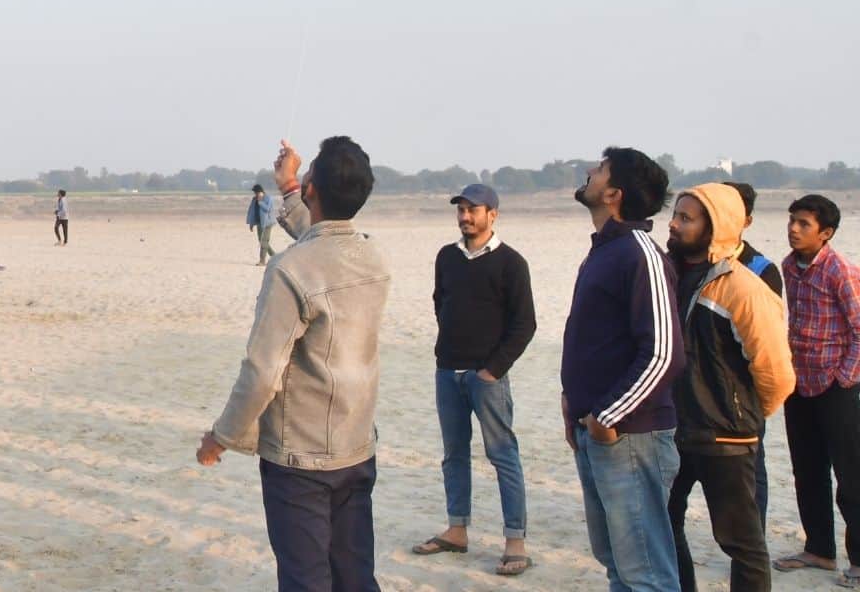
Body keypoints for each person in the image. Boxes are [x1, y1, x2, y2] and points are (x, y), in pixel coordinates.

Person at [198, 137, 390, 592]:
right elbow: (327, 239)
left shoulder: (290, 270)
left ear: (312, 189)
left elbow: (262, 370)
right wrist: (289, 187)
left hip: (300, 459)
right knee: (355, 576)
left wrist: (221, 437)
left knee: (306, 581)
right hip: (356, 446)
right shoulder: (372, 257)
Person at [562, 147, 684, 592]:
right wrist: (571, 402)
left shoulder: (639, 254)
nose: (589, 171)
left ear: (614, 193)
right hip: (595, 431)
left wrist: (606, 417)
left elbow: (663, 353)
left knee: (645, 573)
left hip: (631, 436)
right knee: (617, 564)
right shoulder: (604, 251)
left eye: (600, 169)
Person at [664, 184, 792, 592]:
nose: (674, 223)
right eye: (676, 214)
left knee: (742, 544)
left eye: (686, 218)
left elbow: (776, 374)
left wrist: (742, 415)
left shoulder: (742, 286)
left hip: (726, 437)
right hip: (671, 431)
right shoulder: (670, 274)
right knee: (665, 525)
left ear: (716, 225)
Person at [413, 183, 536, 578]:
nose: (465, 217)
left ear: (492, 215)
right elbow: (440, 303)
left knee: (503, 456)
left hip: (488, 379)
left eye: (473, 210)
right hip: (447, 372)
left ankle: (515, 540)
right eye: (461, 210)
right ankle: (457, 529)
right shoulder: (446, 257)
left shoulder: (511, 263)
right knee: (454, 454)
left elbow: (524, 325)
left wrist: (492, 369)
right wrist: (449, 354)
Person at [774, 194, 860, 580]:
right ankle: (819, 550)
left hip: (836, 385)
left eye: (803, 224)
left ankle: (858, 560)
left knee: (851, 476)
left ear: (825, 233)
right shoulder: (789, 267)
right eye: (792, 220)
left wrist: (845, 378)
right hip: (799, 382)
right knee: (807, 470)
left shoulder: (840, 271)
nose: (793, 228)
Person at [727, 181, 781, 526]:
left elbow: (766, 345)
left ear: (746, 220)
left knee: (750, 471)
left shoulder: (761, 270)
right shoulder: (686, 262)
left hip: (741, 394)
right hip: (692, 396)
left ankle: (753, 538)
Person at [247, 184, 278, 266]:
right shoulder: (254, 199)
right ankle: (275, 256)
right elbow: (252, 211)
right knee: (261, 241)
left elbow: (267, 209)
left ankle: (262, 261)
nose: (255, 194)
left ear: (260, 191)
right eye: (255, 193)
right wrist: (251, 223)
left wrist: (260, 202)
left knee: (264, 241)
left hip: (267, 223)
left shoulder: (268, 198)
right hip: (259, 223)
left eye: (256, 192)